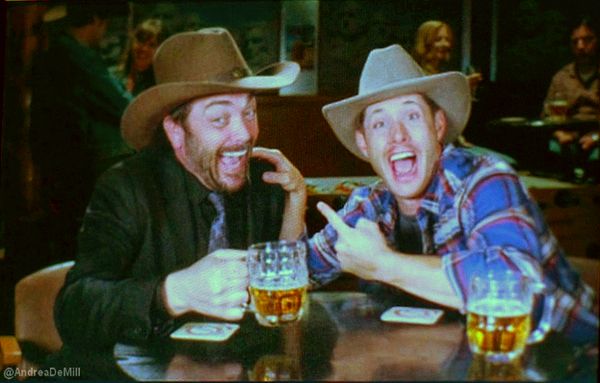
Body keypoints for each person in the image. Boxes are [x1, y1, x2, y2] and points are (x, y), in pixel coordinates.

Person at [307, 44, 598, 345]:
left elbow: (517, 285)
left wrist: (384, 264)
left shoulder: (484, 179)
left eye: (412, 116)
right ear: (364, 143)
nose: (397, 135)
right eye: (380, 123)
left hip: (571, 358)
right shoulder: (370, 205)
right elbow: (302, 267)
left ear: (438, 126)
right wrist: (289, 209)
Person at [54, 27, 303, 348]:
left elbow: (285, 298)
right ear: (175, 130)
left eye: (249, 111)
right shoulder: (126, 188)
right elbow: (74, 310)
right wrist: (174, 293)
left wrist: (296, 200)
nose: (244, 134)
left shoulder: (265, 181)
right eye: (219, 119)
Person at [29, 2, 134, 261]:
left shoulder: (53, 54)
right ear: (96, 20)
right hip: (78, 167)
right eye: (105, 26)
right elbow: (123, 107)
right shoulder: (78, 57)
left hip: (56, 166)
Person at [543, 17, 600, 181]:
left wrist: (595, 138)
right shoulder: (561, 78)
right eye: (575, 42)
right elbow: (546, 116)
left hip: (597, 137)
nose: (581, 46)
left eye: (587, 40)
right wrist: (559, 133)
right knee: (554, 150)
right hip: (568, 138)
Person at [412, 20, 482, 93]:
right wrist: (461, 85)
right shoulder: (415, 73)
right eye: (438, 40)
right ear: (425, 42)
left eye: (447, 39)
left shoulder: (441, 71)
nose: (446, 44)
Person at [110, 18, 166, 96]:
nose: (144, 49)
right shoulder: (112, 76)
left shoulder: (160, 86)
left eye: (152, 45)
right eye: (141, 41)